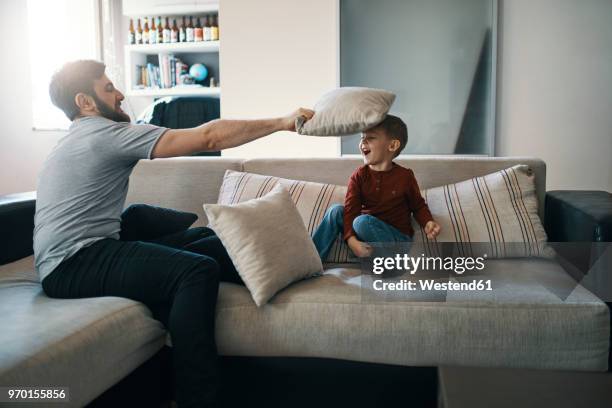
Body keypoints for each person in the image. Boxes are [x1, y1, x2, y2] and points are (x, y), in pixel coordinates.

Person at [33, 59, 314, 408]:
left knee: (206, 241)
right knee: (195, 269)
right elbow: (208, 137)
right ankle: (195, 398)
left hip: (87, 252)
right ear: (84, 102)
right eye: (108, 89)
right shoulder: (103, 134)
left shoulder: (79, 138)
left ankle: (287, 268)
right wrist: (283, 122)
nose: (120, 94)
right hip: (74, 263)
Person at [312, 115, 441, 260]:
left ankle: (390, 263)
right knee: (335, 211)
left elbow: (418, 206)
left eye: (371, 138)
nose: (363, 142)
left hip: (396, 240)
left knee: (361, 222)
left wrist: (428, 222)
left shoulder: (405, 176)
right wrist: (351, 240)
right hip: (364, 234)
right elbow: (350, 211)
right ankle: (311, 262)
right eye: (362, 138)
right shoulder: (359, 176)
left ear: (392, 146)